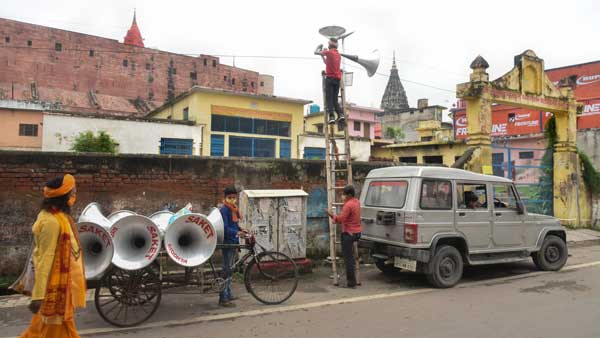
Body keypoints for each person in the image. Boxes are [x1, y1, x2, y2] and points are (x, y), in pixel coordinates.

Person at [17, 174, 86, 338]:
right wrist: (38, 296)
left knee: (40, 331)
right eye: (73, 191)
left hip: (64, 287)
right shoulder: (51, 222)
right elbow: (45, 260)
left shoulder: (60, 217)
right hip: (54, 290)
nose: (75, 194)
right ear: (65, 196)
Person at [326, 185, 361, 288]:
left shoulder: (348, 205)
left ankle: (351, 282)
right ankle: (353, 279)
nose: (343, 196)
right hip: (357, 232)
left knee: (348, 258)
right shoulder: (357, 202)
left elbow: (341, 219)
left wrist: (331, 215)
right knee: (352, 257)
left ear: (349, 194)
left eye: (344, 194)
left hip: (348, 233)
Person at [218, 186, 246, 307]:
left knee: (230, 269)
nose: (232, 200)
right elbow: (224, 227)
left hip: (233, 241)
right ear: (225, 198)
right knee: (226, 269)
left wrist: (241, 229)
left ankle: (228, 293)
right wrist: (236, 232)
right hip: (227, 242)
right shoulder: (224, 210)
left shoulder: (233, 209)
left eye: (234, 198)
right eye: (230, 197)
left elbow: (233, 225)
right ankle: (223, 298)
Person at [315, 38, 345, 125]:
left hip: (330, 79)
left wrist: (320, 48)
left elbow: (315, 52)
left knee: (329, 99)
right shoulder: (338, 55)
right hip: (337, 80)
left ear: (330, 45)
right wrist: (323, 55)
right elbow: (326, 62)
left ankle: (331, 116)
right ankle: (340, 114)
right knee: (335, 99)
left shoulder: (329, 52)